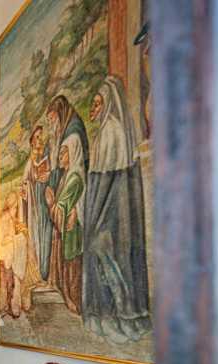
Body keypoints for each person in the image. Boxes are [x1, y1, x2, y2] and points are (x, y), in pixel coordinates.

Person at [83, 76, 151, 343]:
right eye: (93, 103)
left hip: (110, 215)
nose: (93, 109)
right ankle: (113, 316)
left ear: (109, 104)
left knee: (105, 255)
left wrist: (94, 220)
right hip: (110, 215)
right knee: (107, 259)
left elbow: (106, 183)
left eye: (98, 103)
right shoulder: (105, 132)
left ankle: (119, 316)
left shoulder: (111, 132)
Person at [46, 141, 84, 314]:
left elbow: (60, 210)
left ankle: (73, 299)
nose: (60, 157)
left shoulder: (74, 178)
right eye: (60, 153)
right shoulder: (65, 177)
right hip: (66, 232)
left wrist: (50, 203)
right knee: (67, 265)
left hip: (71, 232)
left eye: (64, 153)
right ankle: (68, 296)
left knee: (72, 266)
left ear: (73, 153)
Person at [21, 126, 51, 283]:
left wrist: (47, 176)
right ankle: (39, 272)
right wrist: (27, 187)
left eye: (41, 136)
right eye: (37, 137)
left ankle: (46, 271)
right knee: (36, 235)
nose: (40, 140)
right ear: (32, 141)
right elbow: (24, 184)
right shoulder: (29, 162)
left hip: (44, 204)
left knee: (45, 234)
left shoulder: (46, 157)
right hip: (34, 207)